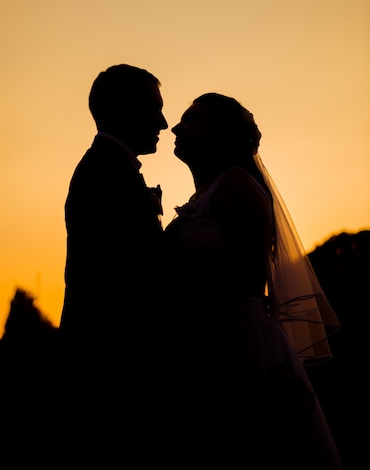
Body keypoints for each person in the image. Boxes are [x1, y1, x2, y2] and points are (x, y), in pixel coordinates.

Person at [163, 93, 344, 469]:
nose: (176, 127)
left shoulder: (237, 186)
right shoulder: (209, 192)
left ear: (217, 133)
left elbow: (245, 277)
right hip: (207, 339)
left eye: (191, 119)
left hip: (234, 342)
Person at [59, 64, 168, 409]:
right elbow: (126, 276)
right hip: (111, 362)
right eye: (155, 110)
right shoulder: (104, 172)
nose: (163, 123)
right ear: (124, 109)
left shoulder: (110, 167)